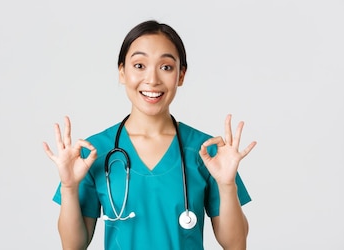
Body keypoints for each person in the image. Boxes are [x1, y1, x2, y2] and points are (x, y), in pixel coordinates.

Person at [42, 19, 257, 250]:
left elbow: (235, 244)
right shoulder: (92, 153)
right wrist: (69, 187)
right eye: (139, 66)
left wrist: (226, 185)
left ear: (181, 76)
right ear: (122, 72)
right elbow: (74, 246)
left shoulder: (207, 152)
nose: (152, 79)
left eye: (166, 67)